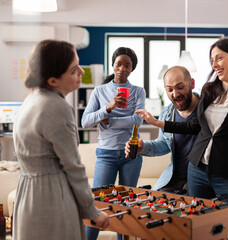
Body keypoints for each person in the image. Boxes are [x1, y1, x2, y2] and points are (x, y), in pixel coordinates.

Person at [136, 36, 228, 240]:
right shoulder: (209, 90)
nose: (214, 64)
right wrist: (159, 123)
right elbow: (193, 126)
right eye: (212, 60)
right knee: (198, 230)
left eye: (219, 58)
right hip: (197, 170)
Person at [12, 39, 109, 240]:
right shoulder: (57, 107)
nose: (81, 72)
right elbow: (73, 167)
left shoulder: (30, 101)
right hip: (51, 198)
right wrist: (92, 211)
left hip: (27, 196)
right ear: (53, 81)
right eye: (74, 70)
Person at [82, 47, 145, 240]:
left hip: (131, 154)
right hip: (106, 154)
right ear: (113, 64)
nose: (123, 68)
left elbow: (138, 120)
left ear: (132, 68)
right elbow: (85, 121)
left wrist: (109, 122)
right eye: (119, 64)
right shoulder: (100, 91)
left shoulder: (138, 91)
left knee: (125, 205)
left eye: (128, 65)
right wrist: (107, 109)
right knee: (98, 203)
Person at [125, 66, 199, 193]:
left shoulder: (207, 108)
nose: (175, 94)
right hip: (174, 179)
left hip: (200, 179)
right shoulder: (167, 113)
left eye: (180, 87)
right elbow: (163, 144)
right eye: (170, 90)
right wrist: (143, 147)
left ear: (192, 83)